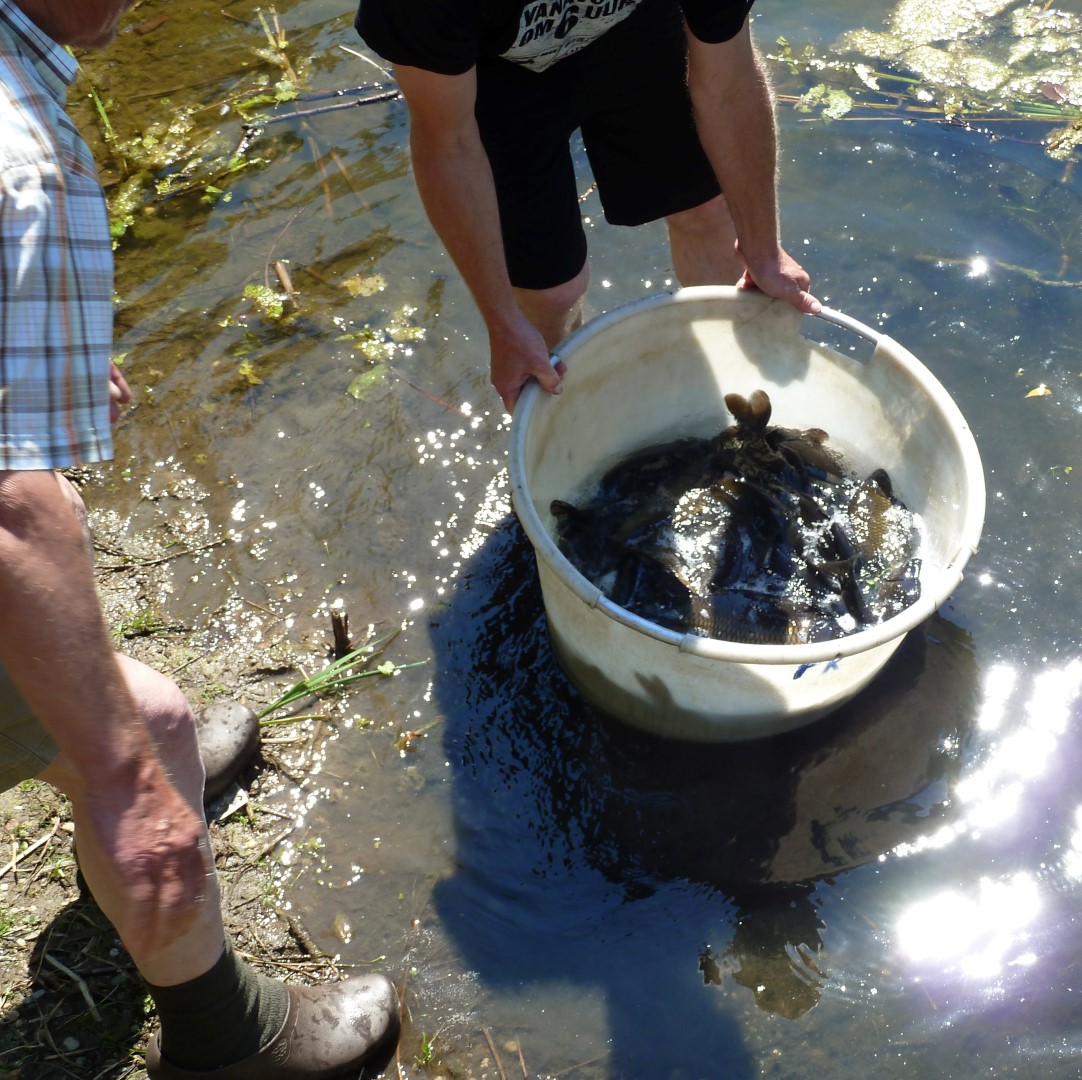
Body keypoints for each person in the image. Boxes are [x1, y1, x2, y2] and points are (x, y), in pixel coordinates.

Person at [0, 1, 401, 1076]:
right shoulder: (18, 157)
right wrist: (125, 782)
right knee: (151, 744)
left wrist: (44, 353)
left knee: (153, 738)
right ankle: (229, 1040)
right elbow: (11, 515)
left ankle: (117, 854)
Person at [354, 0, 820, 412]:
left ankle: (735, 395)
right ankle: (567, 418)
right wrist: (503, 323)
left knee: (709, 210)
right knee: (552, 295)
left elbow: (729, 84)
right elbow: (449, 143)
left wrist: (764, 250)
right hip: (497, 68)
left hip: (636, 23)